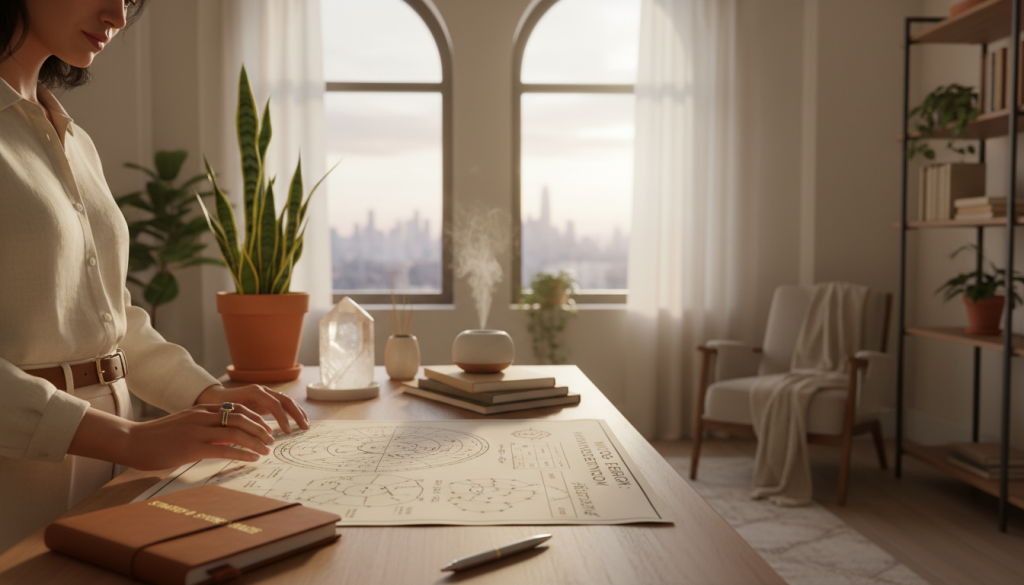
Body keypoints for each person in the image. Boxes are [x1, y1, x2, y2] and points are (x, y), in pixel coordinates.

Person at [0, 0, 311, 553]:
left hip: (110, 471)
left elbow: (111, 319)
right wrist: (129, 438)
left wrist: (209, 395)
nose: (118, 14)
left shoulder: (72, 138)